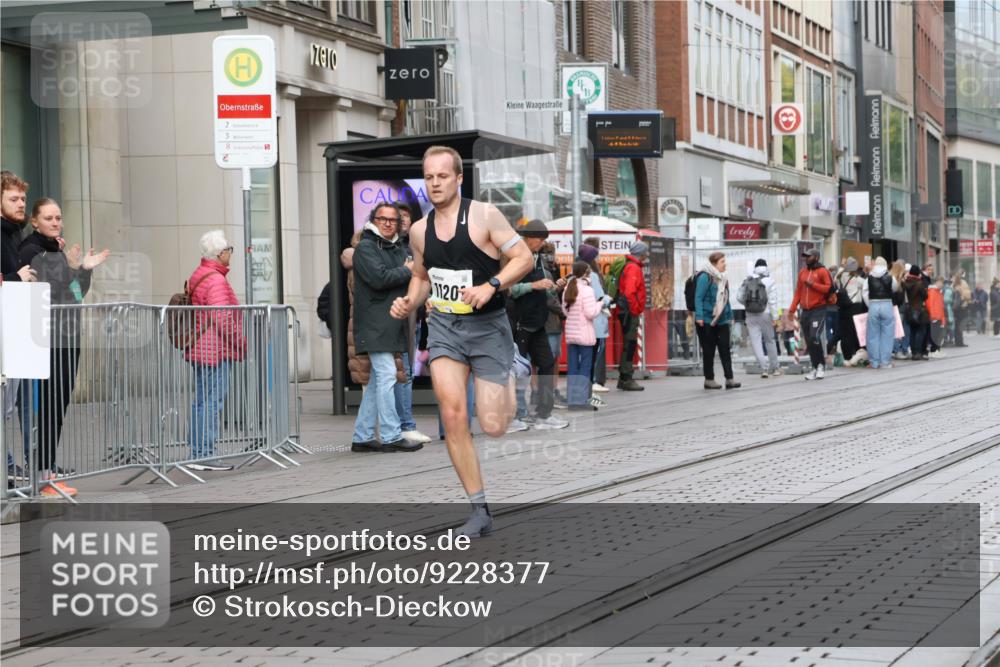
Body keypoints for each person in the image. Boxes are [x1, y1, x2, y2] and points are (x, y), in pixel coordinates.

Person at [390, 145, 534, 538]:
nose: (435, 183)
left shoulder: (484, 216)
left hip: (489, 328)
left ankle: (511, 369)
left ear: (458, 178)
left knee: (494, 426)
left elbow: (524, 259)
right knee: (452, 414)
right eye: (429, 177)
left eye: (442, 176)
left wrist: (492, 285)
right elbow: (421, 277)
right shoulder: (419, 230)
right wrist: (409, 301)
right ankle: (479, 509)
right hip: (446, 329)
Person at [19, 198, 109, 495]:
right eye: (48, 218)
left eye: (58, 217)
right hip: (46, 340)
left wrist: (82, 270)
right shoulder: (31, 250)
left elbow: (76, 292)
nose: (55, 222)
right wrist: (70, 266)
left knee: (59, 403)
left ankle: (49, 469)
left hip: (68, 337)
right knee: (46, 406)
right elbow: (46, 292)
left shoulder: (57, 249)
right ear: (35, 221)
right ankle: (43, 474)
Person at [350, 204, 421, 453]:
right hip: (373, 324)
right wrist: (407, 269)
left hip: (390, 323)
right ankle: (391, 435)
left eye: (393, 220)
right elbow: (379, 279)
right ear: (374, 220)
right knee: (388, 374)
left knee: (378, 380)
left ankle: (362, 436)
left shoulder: (398, 247)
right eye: (383, 219)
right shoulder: (366, 248)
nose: (388, 223)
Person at [182, 231, 244, 471]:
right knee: (212, 402)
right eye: (229, 249)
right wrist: (241, 342)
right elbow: (223, 318)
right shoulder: (216, 279)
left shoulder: (200, 273)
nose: (230, 253)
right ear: (220, 253)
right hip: (214, 349)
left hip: (201, 347)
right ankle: (205, 453)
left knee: (201, 401)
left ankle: (198, 451)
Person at [508, 221, 569, 429]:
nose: (542, 244)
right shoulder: (513, 257)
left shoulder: (539, 259)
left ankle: (544, 413)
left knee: (547, 364)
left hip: (538, 322)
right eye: (540, 240)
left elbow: (542, 289)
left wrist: (553, 288)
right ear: (528, 237)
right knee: (518, 370)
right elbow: (507, 289)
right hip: (520, 323)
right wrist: (533, 285)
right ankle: (515, 415)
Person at [2, 171, 37, 483]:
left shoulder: (15, 234)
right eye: (13, 198)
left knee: (12, 405)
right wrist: (16, 279)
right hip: (6, 328)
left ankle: (14, 465)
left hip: (19, 327)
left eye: (23, 198)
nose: (20, 203)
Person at [389, 203, 431, 445]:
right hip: (394, 318)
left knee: (402, 372)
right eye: (398, 217)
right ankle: (404, 425)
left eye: (406, 217)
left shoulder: (414, 246)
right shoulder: (381, 246)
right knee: (399, 372)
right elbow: (349, 255)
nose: (402, 221)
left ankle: (399, 424)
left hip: (412, 318)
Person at [694, 251, 741, 390]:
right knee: (709, 351)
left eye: (724, 261)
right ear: (715, 264)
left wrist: (730, 315)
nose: (725, 264)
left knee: (725, 350)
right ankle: (709, 380)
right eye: (722, 262)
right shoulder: (705, 277)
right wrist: (699, 317)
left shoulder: (723, 278)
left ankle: (729, 379)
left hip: (721, 320)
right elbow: (698, 297)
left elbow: (726, 298)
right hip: (707, 320)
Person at [562, 260, 603, 411]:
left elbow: (565, 311)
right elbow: (590, 313)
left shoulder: (568, 287)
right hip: (585, 334)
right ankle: (582, 400)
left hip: (572, 334)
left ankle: (572, 401)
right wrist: (601, 304)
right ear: (587, 273)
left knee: (572, 367)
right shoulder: (587, 290)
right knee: (585, 367)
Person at [788, 248, 833, 380]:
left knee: (814, 337)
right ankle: (814, 367)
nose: (806, 259)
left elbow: (828, 288)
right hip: (805, 311)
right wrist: (792, 309)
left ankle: (821, 366)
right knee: (808, 340)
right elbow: (798, 292)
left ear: (816, 257)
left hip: (818, 309)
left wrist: (813, 284)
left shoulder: (823, 271)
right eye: (805, 256)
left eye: (809, 256)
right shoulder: (802, 272)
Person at [578, 242, 611, 402]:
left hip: (580, 322)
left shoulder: (575, 274)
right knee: (592, 355)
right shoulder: (593, 276)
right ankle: (589, 389)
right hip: (595, 321)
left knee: (583, 356)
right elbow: (599, 297)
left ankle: (585, 389)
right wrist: (608, 299)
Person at [738, 258, 781, 378]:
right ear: (766, 267)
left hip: (750, 314)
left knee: (756, 342)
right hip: (765, 314)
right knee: (770, 340)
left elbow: (739, 297)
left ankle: (764, 369)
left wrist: (748, 305)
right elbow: (773, 301)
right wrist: (776, 318)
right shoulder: (770, 281)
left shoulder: (747, 279)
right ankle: (775, 368)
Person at [617, 241, 648, 391]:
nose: (647, 255)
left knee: (628, 345)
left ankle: (623, 378)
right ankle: (626, 378)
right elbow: (630, 292)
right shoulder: (634, 268)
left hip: (626, 310)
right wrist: (636, 309)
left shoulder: (630, 266)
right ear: (641, 253)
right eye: (645, 252)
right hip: (630, 311)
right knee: (630, 345)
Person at [862, 256, 900, 370]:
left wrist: (871, 305)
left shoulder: (868, 278)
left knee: (872, 335)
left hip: (873, 305)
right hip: (887, 304)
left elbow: (864, 293)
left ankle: (874, 362)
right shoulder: (890, 277)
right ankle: (885, 362)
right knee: (887, 335)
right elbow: (895, 288)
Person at [834, 258, 868, 366]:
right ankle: (856, 354)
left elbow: (835, 280)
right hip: (855, 307)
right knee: (855, 332)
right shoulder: (857, 279)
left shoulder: (840, 277)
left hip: (843, 307)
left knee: (845, 332)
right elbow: (867, 285)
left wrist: (842, 267)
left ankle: (847, 356)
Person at [903, 264, 929, 360]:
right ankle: (918, 352)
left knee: (912, 332)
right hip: (919, 311)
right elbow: (925, 296)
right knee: (920, 331)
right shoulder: (919, 283)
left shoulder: (905, 282)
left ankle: (913, 352)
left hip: (909, 310)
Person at [927, 277, 947, 357]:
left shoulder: (938, 292)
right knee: (934, 334)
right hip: (934, 317)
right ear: (938, 282)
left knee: (938, 334)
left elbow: (940, 306)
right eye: (942, 283)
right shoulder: (932, 291)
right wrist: (933, 316)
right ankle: (933, 350)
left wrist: (942, 318)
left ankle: (936, 349)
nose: (942, 285)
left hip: (938, 316)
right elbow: (931, 305)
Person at [952, 271, 972, 347]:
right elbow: (968, 295)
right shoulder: (963, 283)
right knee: (960, 325)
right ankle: (960, 342)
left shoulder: (954, 285)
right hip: (962, 306)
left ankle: (958, 341)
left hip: (956, 308)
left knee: (957, 325)